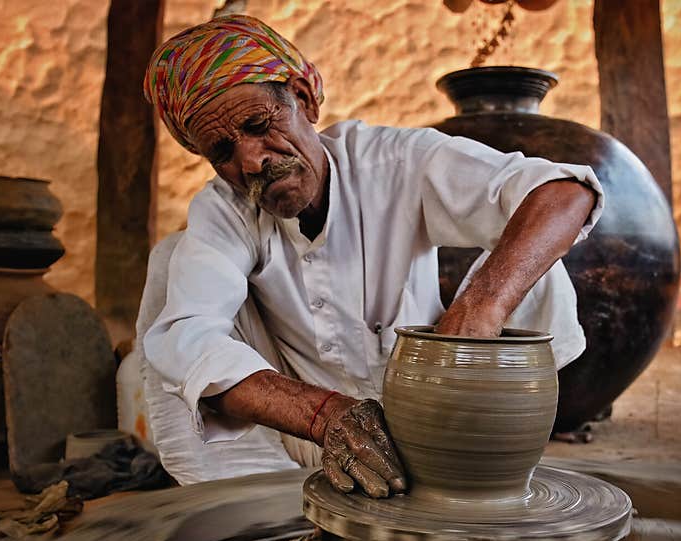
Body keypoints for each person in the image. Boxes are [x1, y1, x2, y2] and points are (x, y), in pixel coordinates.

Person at [141, 14, 604, 497]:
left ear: (303, 98)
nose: (251, 160)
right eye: (221, 151)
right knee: (170, 271)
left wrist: (482, 306)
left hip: (438, 406)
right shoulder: (225, 211)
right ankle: (263, 516)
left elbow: (564, 192)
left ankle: (490, 469)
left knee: (530, 247)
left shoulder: (395, 160)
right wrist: (326, 415)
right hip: (310, 432)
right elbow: (189, 337)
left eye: (258, 125)